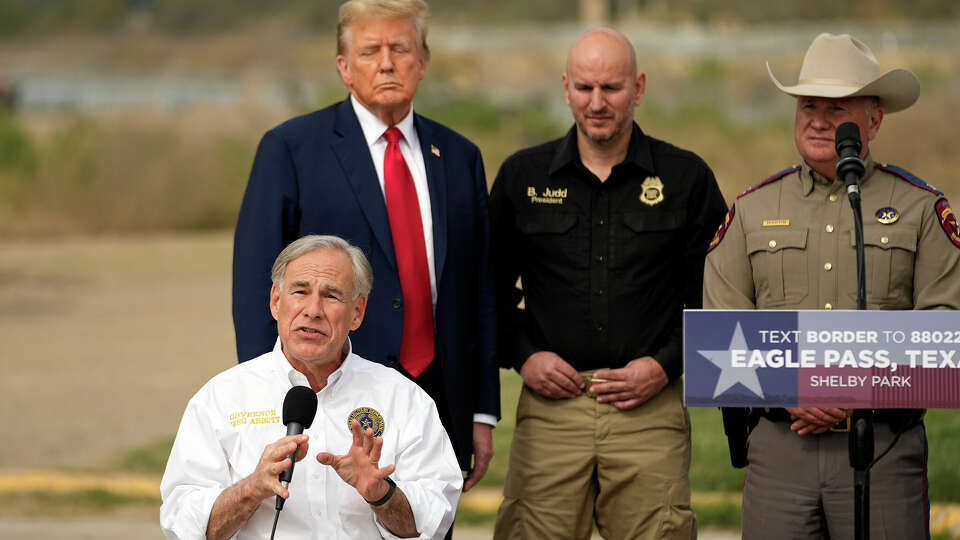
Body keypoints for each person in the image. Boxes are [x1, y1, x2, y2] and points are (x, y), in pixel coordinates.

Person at [231, 0, 498, 493]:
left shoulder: (460, 157)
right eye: (371, 50)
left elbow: (479, 290)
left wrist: (482, 410)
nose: (387, 62)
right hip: (329, 394)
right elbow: (255, 290)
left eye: (400, 48)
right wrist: (267, 406)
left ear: (423, 61)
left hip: (440, 397)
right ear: (344, 66)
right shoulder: (290, 149)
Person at [704, 33, 960, 539]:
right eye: (808, 106)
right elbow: (718, 334)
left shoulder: (921, 209)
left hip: (884, 449)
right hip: (781, 451)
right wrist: (788, 387)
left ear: (874, 119)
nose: (819, 120)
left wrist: (853, 388)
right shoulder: (752, 210)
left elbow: (945, 333)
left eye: (837, 107)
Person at [489, 28, 728, 539]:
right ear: (566, 87)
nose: (597, 103)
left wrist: (664, 367)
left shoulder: (686, 179)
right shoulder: (522, 178)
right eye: (584, 87)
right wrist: (525, 354)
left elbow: (715, 298)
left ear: (638, 87)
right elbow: (488, 288)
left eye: (612, 88)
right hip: (552, 411)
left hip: (650, 410)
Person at [161, 235, 462, 539]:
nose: (313, 310)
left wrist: (380, 493)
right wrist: (251, 489)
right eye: (300, 292)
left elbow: (433, 523)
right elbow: (183, 525)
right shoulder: (221, 398)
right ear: (276, 302)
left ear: (357, 312)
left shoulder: (403, 399)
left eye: (331, 296)